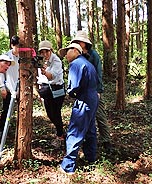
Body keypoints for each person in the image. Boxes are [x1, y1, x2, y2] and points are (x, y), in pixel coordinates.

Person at [59, 43, 99, 174]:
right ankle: (91, 157)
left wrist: (70, 93)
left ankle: (68, 166)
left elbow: (73, 87)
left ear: (76, 51)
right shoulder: (88, 64)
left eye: (67, 52)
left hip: (84, 100)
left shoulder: (76, 64)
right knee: (90, 129)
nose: (66, 56)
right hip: (92, 99)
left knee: (75, 130)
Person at [70, 30, 112, 152]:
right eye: (76, 41)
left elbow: (98, 75)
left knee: (100, 116)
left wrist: (98, 91)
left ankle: (106, 141)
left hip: (94, 92)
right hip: (82, 94)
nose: (78, 43)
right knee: (84, 118)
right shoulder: (77, 55)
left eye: (80, 41)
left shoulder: (94, 55)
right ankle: (86, 144)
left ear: (85, 43)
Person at [37, 40, 66, 146]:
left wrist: (45, 72)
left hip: (56, 89)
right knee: (49, 113)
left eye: (47, 52)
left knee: (56, 113)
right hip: (45, 90)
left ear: (51, 51)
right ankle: (60, 131)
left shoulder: (56, 61)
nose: (45, 54)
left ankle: (60, 135)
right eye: (42, 52)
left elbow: (52, 76)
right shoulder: (41, 61)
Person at [0, 35, 20, 136]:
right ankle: (2, 129)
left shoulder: (24, 57)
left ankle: (19, 130)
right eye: (17, 46)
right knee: (6, 109)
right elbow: (1, 73)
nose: (19, 49)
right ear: (12, 45)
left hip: (21, 88)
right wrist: (2, 87)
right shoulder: (6, 57)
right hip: (9, 88)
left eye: (20, 46)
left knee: (21, 110)